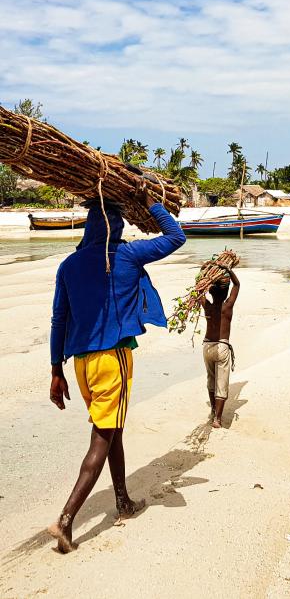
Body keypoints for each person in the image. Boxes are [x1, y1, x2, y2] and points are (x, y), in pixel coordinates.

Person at [48, 191, 186, 553]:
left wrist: (54, 370)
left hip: (80, 364)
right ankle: (66, 520)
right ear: (117, 226)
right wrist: (152, 200)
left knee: (113, 430)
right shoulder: (125, 254)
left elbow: (59, 319)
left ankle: (122, 500)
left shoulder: (69, 265)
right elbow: (176, 236)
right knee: (101, 437)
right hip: (114, 360)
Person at [201, 266, 240, 428]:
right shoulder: (227, 306)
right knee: (221, 383)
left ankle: (212, 411)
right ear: (225, 292)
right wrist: (228, 270)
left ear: (210, 291)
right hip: (222, 347)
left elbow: (197, 291)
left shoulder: (208, 306)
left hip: (207, 346)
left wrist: (204, 273)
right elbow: (237, 285)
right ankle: (217, 418)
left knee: (211, 379)